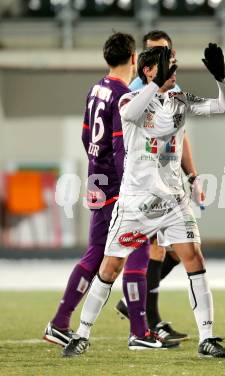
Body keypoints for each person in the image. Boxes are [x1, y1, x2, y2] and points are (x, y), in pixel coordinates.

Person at [62, 45, 225, 358]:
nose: (174, 72)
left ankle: (206, 339)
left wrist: (222, 78)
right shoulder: (130, 99)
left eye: (175, 66)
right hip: (136, 203)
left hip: (173, 201)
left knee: (194, 258)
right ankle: (81, 334)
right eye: (168, 66)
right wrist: (156, 84)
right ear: (149, 71)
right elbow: (129, 114)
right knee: (110, 266)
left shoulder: (180, 101)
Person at [43, 32, 156, 348]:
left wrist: (96, 167)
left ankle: (60, 322)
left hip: (96, 179)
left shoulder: (96, 90)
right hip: (116, 186)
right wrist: (130, 184)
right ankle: (139, 331)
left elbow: (86, 137)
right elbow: (121, 148)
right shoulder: (122, 95)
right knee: (136, 248)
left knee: (96, 252)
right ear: (133, 58)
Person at [115, 29, 203, 343]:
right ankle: (149, 321)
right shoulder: (139, 89)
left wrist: (192, 176)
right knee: (150, 250)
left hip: (171, 183)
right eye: (154, 53)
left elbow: (181, 136)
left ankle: (137, 309)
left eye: (164, 52)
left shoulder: (173, 88)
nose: (160, 59)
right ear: (143, 60)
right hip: (147, 186)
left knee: (176, 253)